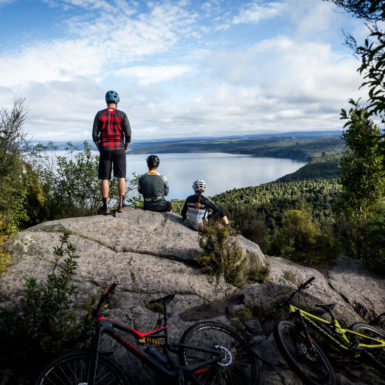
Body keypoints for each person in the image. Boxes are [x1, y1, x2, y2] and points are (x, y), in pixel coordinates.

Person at [92, 90, 131, 215]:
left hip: (105, 149)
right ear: (117, 101)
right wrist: (126, 147)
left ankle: (106, 207)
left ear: (106, 101)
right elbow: (128, 134)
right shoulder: (122, 115)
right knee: (121, 177)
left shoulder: (100, 114)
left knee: (105, 178)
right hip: (119, 148)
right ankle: (121, 205)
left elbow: (94, 135)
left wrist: (100, 147)